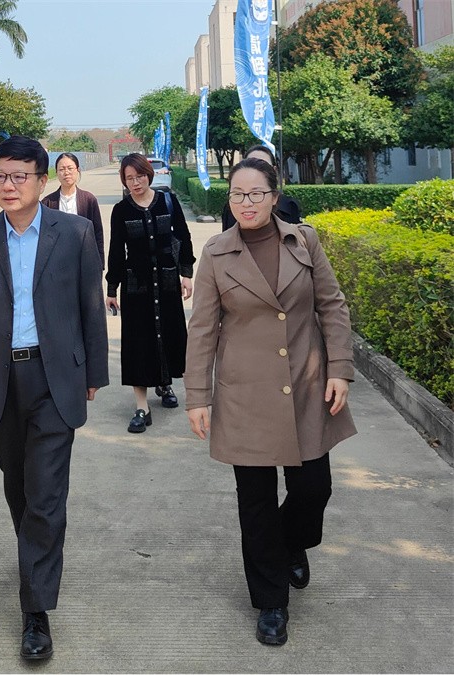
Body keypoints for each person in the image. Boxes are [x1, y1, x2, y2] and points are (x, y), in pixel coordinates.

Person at [0, 136, 109, 661]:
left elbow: (90, 306)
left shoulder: (75, 233)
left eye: (19, 177)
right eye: (1, 176)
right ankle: (35, 555)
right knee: (19, 485)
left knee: (46, 493)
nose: (8, 186)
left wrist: (94, 372)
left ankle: (35, 611)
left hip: (54, 378)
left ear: (41, 180)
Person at [185, 157, 357, 647]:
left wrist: (340, 368)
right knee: (256, 502)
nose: (246, 202)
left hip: (305, 385)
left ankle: (290, 544)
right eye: (237, 194)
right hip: (244, 394)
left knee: (314, 489)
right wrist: (197, 395)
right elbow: (202, 329)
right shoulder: (216, 253)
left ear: (274, 197)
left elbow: (332, 305)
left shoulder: (304, 241)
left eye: (256, 193)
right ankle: (271, 602)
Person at [105, 153, 195, 433]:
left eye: (140, 176)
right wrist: (112, 288)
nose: (136, 183)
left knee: (168, 334)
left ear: (149, 175)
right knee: (138, 342)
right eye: (129, 178)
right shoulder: (121, 210)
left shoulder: (168, 201)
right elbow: (116, 250)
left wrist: (186, 274)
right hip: (136, 287)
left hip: (167, 283)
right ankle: (141, 407)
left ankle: (164, 384)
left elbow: (183, 236)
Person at [41, 152, 105, 267]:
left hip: (83, 261)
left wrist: (99, 264)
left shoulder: (89, 200)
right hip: (56, 264)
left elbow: (98, 234)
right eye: (61, 169)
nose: (66, 173)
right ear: (56, 173)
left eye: (70, 168)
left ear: (77, 170)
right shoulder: (47, 202)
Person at [222, 145, 302, 231]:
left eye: (263, 165)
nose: (246, 203)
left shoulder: (289, 206)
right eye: (251, 163)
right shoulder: (232, 207)